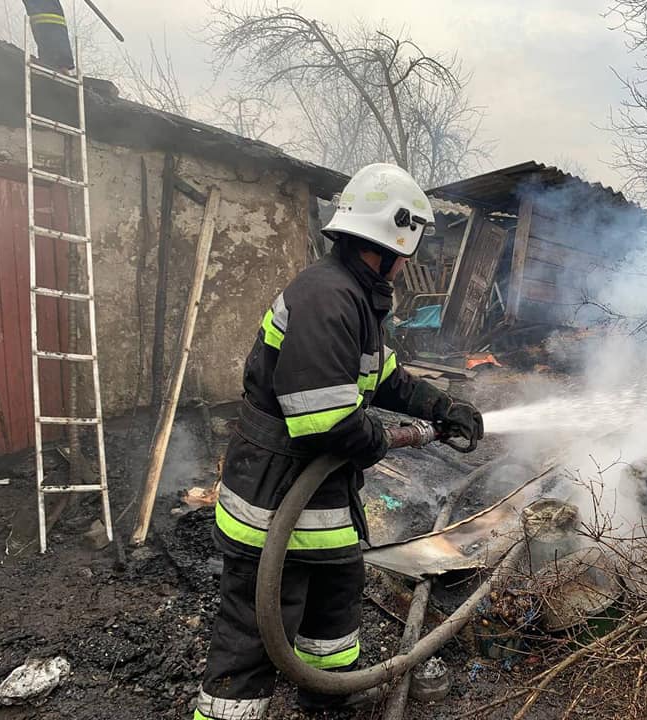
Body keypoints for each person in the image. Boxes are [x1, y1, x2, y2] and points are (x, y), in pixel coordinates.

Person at [195, 164, 484, 718]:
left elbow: (387, 377)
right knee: (254, 635)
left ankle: (327, 699)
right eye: (410, 248)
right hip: (274, 500)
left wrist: (440, 407)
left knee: (334, 609)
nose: (408, 263)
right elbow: (325, 422)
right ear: (394, 240)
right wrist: (391, 436)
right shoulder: (326, 298)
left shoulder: (358, 296)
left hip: (318, 499)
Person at [22, 0, 74, 71]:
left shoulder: (46, 7)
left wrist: (61, 62)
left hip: (55, 60)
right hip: (56, 58)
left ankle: (58, 61)